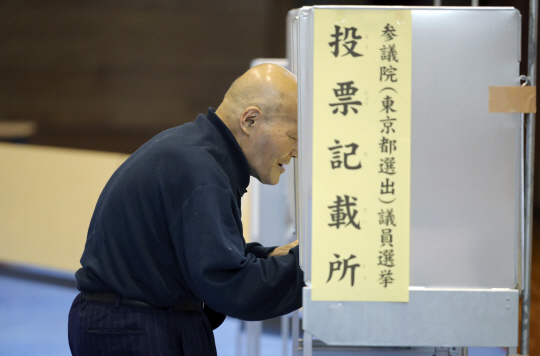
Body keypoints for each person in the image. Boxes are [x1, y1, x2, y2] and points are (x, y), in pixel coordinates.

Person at [68, 63, 304, 356]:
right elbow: (230, 284)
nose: (297, 151)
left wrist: (268, 256)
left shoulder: (195, 152)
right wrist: (309, 264)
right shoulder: (201, 170)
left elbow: (199, 254)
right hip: (135, 329)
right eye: (293, 137)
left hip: (134, 321)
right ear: (251, 120)